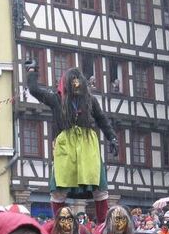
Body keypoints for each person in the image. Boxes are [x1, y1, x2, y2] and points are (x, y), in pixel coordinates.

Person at [25, 60, 118, 223]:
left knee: (98, 187)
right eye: (72, 81)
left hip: (88, 146)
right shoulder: (57, 100)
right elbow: (34, 90)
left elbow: (102, 119)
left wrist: (112, 137)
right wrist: (32, 70)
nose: (76, 85)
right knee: (59, 188)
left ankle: (103, 226)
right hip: (65, 148)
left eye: (78, 81)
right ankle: (60, 224)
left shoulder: (90, 100)